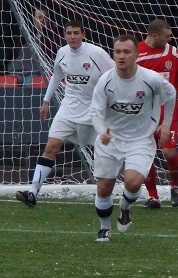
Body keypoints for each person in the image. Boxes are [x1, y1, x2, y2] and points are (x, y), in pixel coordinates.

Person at [15, 20, 114, 207]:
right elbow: (56, 77)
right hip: (68, 109)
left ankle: (108, 193)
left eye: (76, 33)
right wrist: (46, 101)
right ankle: (33, 192)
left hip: (93, 112)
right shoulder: (62, 53)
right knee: (51, 147)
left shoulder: (97, 53)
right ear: (65, 35)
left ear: (83, 35)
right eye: (69, 33)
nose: (72, 37)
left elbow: (114, 75)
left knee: (102, 154)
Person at [89, 34, 177, 242]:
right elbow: (95, 112)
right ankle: (104, 228)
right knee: (104, 187)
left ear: (136, 55)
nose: (121, 56)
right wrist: (102, 131)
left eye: (127, 52)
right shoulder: (105, 81)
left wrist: (166, 124)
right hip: (111, 139)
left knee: (133, 182)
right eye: (118, 52)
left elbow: (171, 94)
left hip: (140, 139)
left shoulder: (151, 79)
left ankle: (125, 207)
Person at [137, 19, 178, 208]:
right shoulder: (136, 53)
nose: (170, 39)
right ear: (154, 35)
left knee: (169, 152)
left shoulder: (173, 53)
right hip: (143, 112)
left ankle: (175, 185)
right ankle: (153, 196)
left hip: (167, 110)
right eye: (167, 36)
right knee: (146, 155)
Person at [6, 6, 56, 85]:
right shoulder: (25, 38)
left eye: (45, 18)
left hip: (36, 76)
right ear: (34, 20)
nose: (42, 20)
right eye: (39, 17)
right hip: (16, 73)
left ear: (49, 20)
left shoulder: (55, 39)